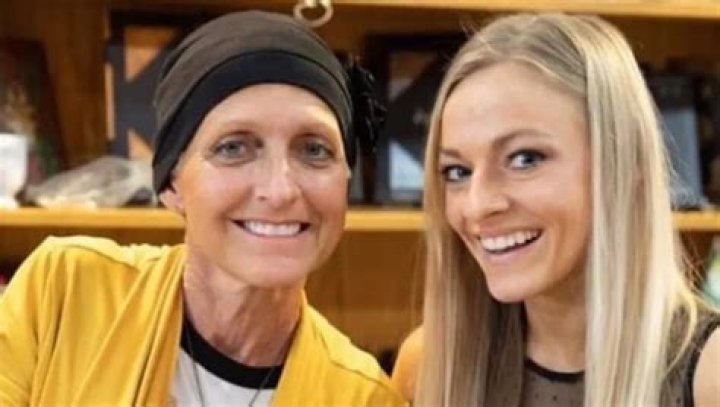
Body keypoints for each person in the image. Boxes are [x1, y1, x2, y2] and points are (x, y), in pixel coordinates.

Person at [0, 11, 405, 406]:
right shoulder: (66, 291)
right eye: (234, 147)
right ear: (171, 184)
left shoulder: (365, 397)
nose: (280, 190)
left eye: (314, 150)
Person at [392, 13, 720, 407]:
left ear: (623, 164)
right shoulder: (427, 365)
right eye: (457, 171)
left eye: (525, 159)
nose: (477, 205)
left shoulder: (710, 374)